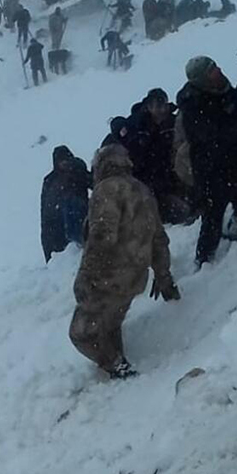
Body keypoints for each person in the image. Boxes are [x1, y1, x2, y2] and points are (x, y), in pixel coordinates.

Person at [69, 145, 179, 379]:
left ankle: (117, 366)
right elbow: (159, 238)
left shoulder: (106, 190)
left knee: (81, 333)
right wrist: (163, 277)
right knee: (109, 325)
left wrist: (86, 276)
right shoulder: (143, 190)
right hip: (135, 278)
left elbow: (102, 237)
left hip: (108, 276)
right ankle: (119, 366)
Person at [178, 57, 237, 266]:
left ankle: (236, 228)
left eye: (216, 66)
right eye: (212, 69)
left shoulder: (220, 87)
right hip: (211, 168)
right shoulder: (193, 105)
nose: (218, 70)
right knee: (213, 213)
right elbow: (211, 137)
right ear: (202, 78)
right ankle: (204, 260)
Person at [125, 88, 193, 223]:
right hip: (148, 186)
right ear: (149, 107)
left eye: (164, 105)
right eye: (157, 106)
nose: (162, 110)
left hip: (173, 178)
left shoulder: (172, 123)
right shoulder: (139, 127)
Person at [41, 146, 92, 261]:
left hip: (79, 222)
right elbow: (45, 215)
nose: (64, 164)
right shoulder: (50, 181)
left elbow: (95, 183)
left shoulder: (77, 172)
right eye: (61, 161)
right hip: (56, 228)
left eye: (66, 160)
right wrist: (47, 250)